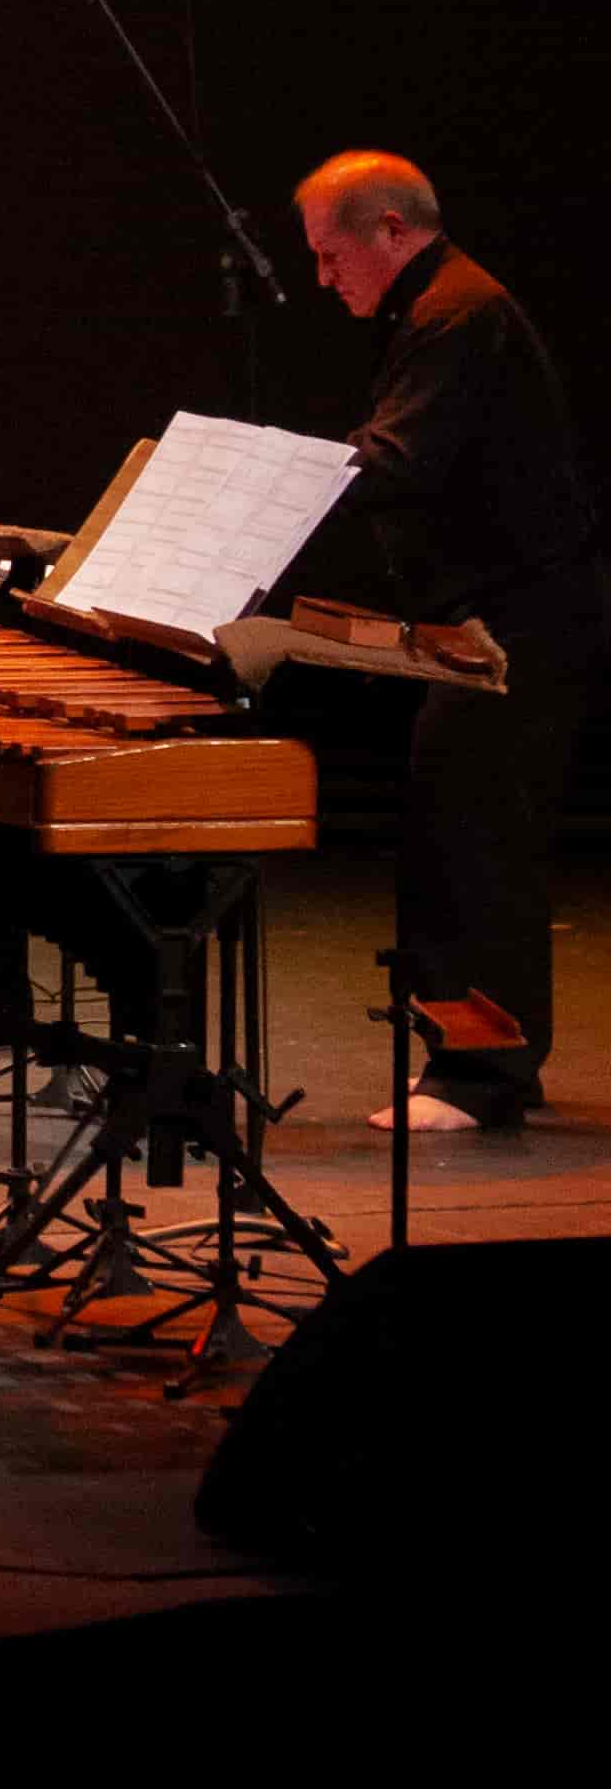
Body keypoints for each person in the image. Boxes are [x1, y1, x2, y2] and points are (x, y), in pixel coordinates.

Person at [295, 150, 607, 1131]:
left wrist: (261, 484)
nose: (322, 278)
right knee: (458, 835)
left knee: (473, 848)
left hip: (517, 624)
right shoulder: (438, 309)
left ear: (392, 230)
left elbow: (400, 458)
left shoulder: (457, 313)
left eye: (332, 255)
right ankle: (489, 1063)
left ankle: (482, 1077)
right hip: (496, 616)